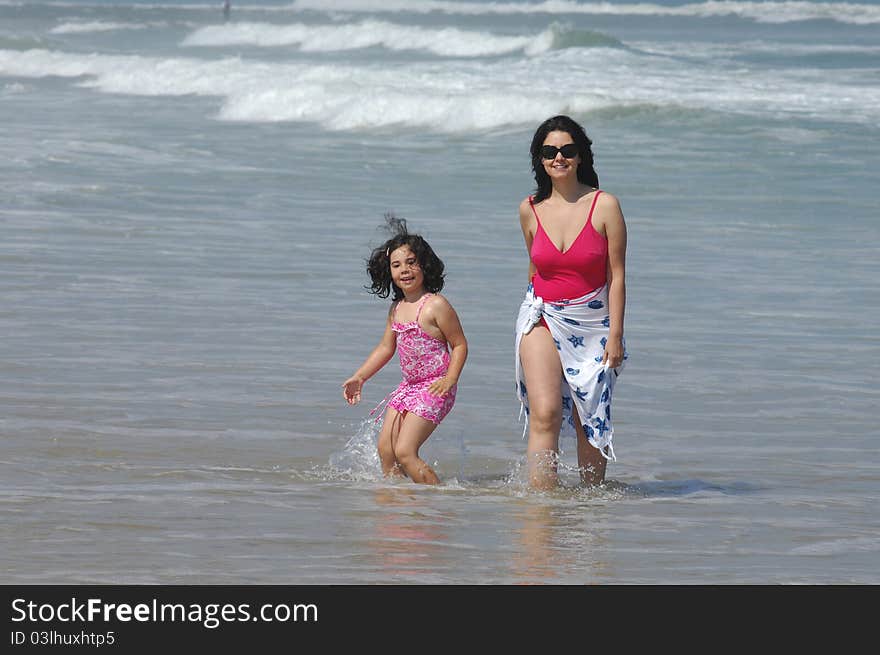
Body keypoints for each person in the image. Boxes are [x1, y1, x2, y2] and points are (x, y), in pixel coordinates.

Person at [514, 115, 628, 490]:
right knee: (544, 413)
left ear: (581, 156)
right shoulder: (529, 209)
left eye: (567, 150)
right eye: (549, 151)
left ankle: (590, 502)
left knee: (587, 415)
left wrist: (616, 334)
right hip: (542, 316)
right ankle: (541, 505)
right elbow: (535, 268)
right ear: (540, 158)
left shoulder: (605, 205)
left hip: (593, 323)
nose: (558, 157)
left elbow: (617, 275)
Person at [343, 215, 468, 485]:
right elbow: (386, 348)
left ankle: (437, 503)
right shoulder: (397, 308)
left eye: (411, 263)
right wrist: (360, 377)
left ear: (424, 265)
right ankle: (400, 508)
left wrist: (450, 379)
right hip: (407, 388)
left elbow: (459, 344)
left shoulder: (435, 305)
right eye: (397, 265)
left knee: (405, 451)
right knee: (386, 452)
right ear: (389, 272)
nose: (405, 270)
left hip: (436, 386)